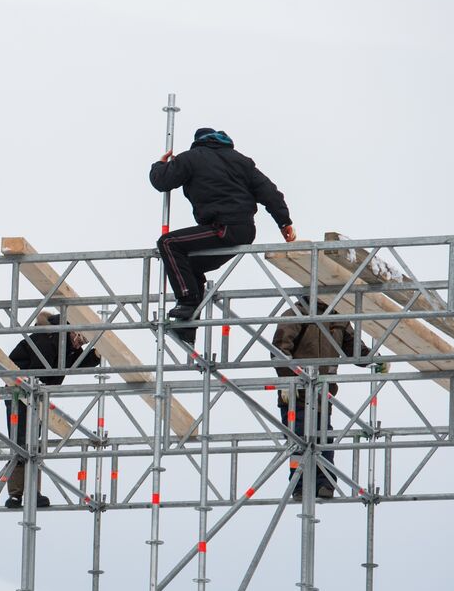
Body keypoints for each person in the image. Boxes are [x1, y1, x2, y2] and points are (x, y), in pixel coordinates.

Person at [149, 128, 295, 345]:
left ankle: (187, 302)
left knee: (169, 243)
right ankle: (188, 326)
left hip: (223, 226)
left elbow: (162, 182)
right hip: (244, 230)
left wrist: (159, 165)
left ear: (197, 142)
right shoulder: (241, 161)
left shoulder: (191, 158)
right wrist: (284, 221)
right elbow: (269, 192)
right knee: (189, 264)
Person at [271, 301, 385, 500]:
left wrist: (377, 359)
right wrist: (287, 381)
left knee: (323, 439)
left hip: (322, 395)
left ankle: (325, 484)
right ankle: (300, 485)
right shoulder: (296, 314)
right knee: (299, 439)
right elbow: (279, 351)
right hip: (296, 395)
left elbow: (355, 350)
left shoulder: (338, 318)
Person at [3, 313, 101, 509]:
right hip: (20, 393)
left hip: (34, 395)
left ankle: (31, 492)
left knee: (32, 444)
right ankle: (16, 495)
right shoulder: (47, 339)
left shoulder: (59, 343)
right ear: (71, 329)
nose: (80, 344)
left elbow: (72, 362)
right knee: (21, 442)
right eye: (80, 338)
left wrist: (95, 356)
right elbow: (46, 368)